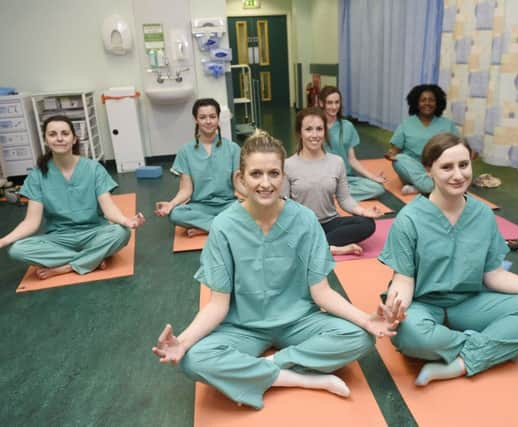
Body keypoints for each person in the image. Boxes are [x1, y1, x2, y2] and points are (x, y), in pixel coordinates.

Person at [152, 130, 404, 409]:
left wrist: (366, 320)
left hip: (298, 322)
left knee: (360, 337)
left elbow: (322, 293)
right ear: (241, 179)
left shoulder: (305, 221)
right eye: (256, 174)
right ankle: (303, 379)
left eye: (273, 174)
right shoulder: (223, 227)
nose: (265, 183)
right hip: (243, 326)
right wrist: (183, 341)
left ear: (283, 177)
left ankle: (266, 368)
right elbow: (217, 305)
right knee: (192, 359)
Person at [379, 133, 518, 386]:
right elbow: (404, 280)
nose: (458, 175)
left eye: (464, 164)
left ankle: (460, 363)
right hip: (424, 305)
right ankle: (495, 348)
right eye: (446, 167)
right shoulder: (409, 219)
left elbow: (494, 275)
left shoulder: (482, 214)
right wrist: (396, 308)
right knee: (411, 335)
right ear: (429, 170)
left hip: (469, 302)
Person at [0, 115, 144, 280]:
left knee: (121, 233)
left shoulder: (93, 168)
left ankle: (66, 267)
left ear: (74, 139)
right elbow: (31, 222)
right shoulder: (37, 176)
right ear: (46, 140)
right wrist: (3, 241)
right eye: (52, 134)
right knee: (17, 250)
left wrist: (127, 221)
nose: (59, 138)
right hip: (60, 238)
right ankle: (93, 259)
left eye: (65, 133)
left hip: (94, 233)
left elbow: (109, 209)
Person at [283, 108, 382, 256]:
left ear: (325, 132)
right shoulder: (287, 165)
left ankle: (318, 247)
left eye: (319, 129)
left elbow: (344, 198)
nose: (315, 135)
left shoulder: (337, 162)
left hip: (330, 223)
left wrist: (363, 211)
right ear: (300, 133)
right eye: (309, 129)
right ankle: (331, 247)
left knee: (367, 224)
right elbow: (284, 205)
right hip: (303, 226)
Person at [154, 98, 240, 237]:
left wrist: (251, 200)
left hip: (228, 204)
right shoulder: (185, 151)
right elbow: (186, 190)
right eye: (203, 117)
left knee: (250, 210)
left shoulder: (233, 149)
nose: (208, 121)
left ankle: (206, 227)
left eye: (212, 116)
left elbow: (239, 184)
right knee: (175, 214)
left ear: (218, 119)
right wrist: (171, 204)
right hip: (201, 206)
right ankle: (222, 226)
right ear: (196, 120)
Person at [385, 84, 458, 194]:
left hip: (439, 168)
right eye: (423, 100)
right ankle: (431, 187)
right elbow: (394, 151)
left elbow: (458, 149)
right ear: (416, 103)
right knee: (399, 159)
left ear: (437, 103)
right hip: (413, 169)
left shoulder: (448, 124)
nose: (427, 103)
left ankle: (420, 188)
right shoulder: (406, 124)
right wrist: (390, 154)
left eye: (431, 100)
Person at [319, 86, 386, 201]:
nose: (334, 107)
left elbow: (352, 159)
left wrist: (372, 177)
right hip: (322, 179)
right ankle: (333, 193)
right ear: (321, 103)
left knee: (378, 188)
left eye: (337, 102)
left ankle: (334, 195)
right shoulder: (315, 127)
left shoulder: (347, 126)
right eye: (329, 103)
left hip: (345, 178)